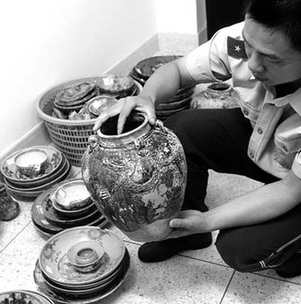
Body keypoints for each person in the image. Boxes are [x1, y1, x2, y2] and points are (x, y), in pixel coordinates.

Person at [93, 0, 301, 278]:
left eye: (271, 58)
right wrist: (146, 97)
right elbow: (177, 71)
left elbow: (289, 190)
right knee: (181, 128)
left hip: (295, 183)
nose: (251, 64)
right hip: (271, 143)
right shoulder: (243, 39)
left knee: (240, 248)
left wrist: (207, 221)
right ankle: (182, 233)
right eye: (250, 45)